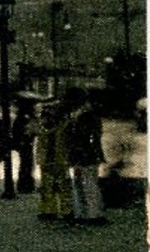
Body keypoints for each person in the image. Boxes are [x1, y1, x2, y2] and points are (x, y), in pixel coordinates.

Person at [64, 89, 106, 224]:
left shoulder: (84, 117)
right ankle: (89, 213)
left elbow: (81, 137)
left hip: (83, 154)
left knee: (85, 184)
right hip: (86, 154)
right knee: (87, 183)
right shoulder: (89, 116)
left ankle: (87, 213)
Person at [35, 101, 73, 221]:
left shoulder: (46, 127)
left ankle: (50, 210)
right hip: (57, 160)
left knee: (50, 186)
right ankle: (64, 210)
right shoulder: (63, 126)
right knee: (61, 186)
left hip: (51, 160)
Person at [12, 101, 36, 194]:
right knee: (27, 164)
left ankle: (24, 185)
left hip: (23, 144)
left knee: (25, 164)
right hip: (25, 144)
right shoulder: (25, 119)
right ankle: (26, 185)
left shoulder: (20, 118)